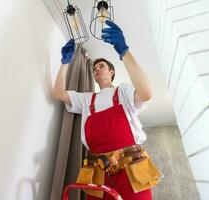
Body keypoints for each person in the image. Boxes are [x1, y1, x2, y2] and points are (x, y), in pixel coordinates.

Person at [52, 20, 154, 200]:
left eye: (102, 67)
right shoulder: (87, 99)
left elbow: (146, 93)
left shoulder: (122, 91)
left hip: (132, 169)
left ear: (112, 71)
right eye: (94, 68)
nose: (97, 69)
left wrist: (124, 51)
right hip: (97, 171)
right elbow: (58, 93)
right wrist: (64, 63)